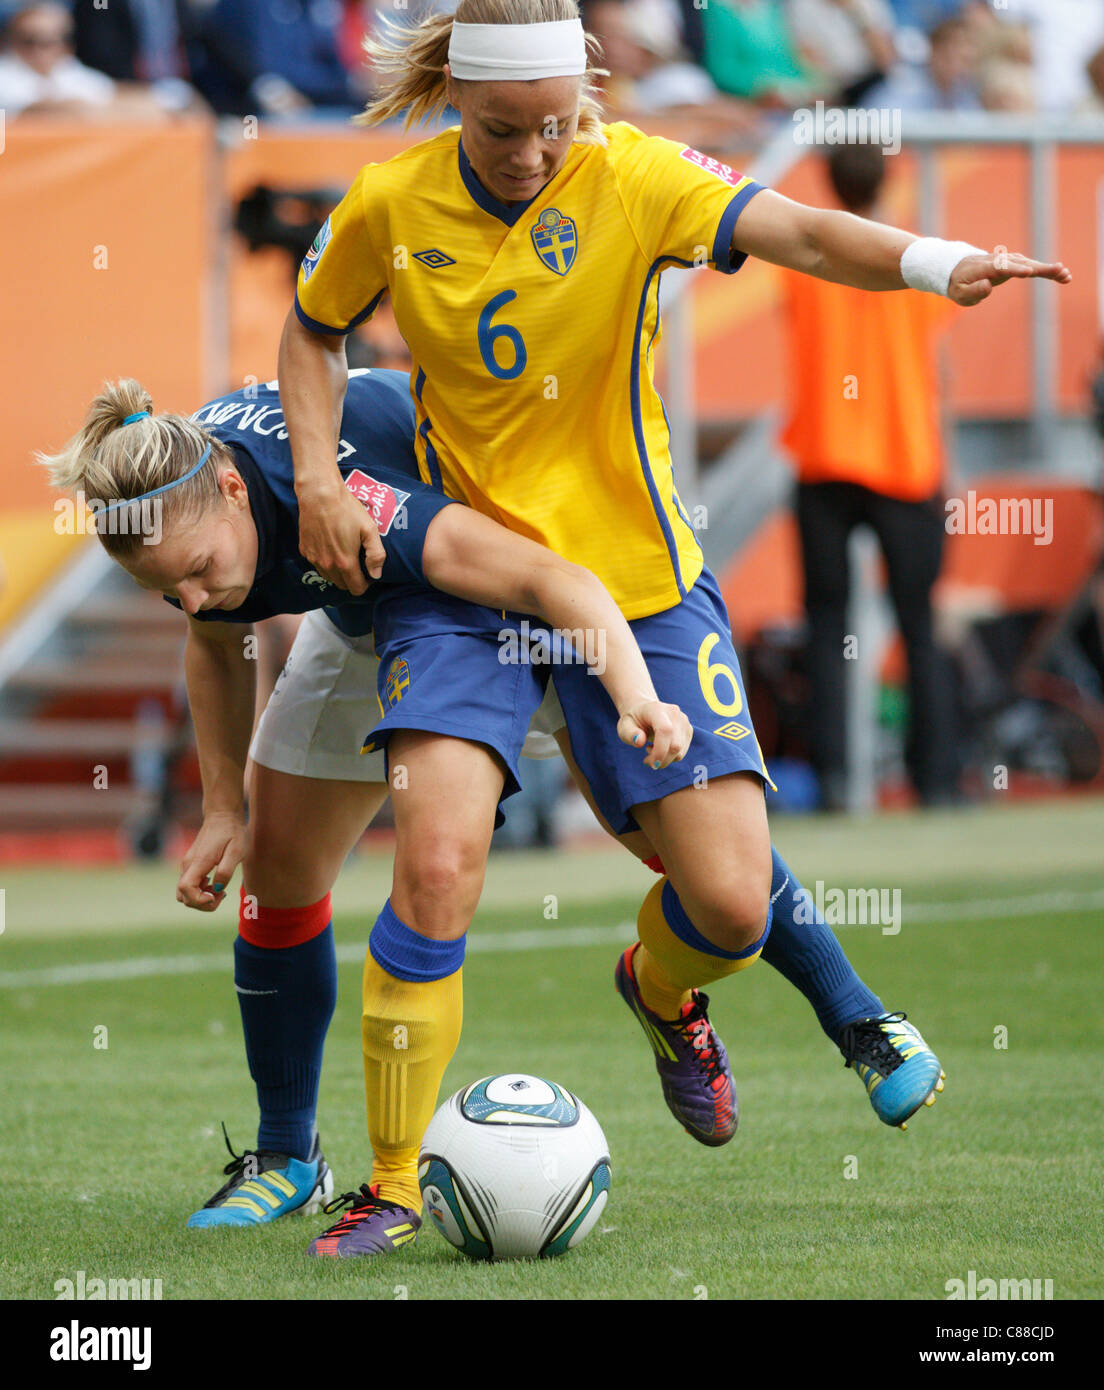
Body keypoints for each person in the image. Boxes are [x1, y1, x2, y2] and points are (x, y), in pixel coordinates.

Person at [272, 0, 1070, 1256]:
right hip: (467, 582)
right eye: (502, 129)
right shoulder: (389, 203)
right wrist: (318, 481)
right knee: (434, 862)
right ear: (456, 103)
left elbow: (800, 226)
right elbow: (313, 332)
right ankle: (386, 1180)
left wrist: (933, 262)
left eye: (553, 126)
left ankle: (656, 990)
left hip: (637, 581)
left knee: (732, 905)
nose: (533, 153)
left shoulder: (635, 173)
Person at [39, 368, 692, 1248]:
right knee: (274, 870)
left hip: (476, 591)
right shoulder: (187, 494)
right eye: (170, 588)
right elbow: (214, 638)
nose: (191, 597)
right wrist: (224, 809)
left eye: (195, 573)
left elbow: (547, 577)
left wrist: (636, 696)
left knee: (680, 844)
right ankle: (288, 1160)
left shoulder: (352, 498)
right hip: (354, 617)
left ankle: (784, 999)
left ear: (236, 489)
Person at [779, 144, 961, 809]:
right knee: (919, 626)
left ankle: (831, 783)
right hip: (905, 460)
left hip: (824, 457)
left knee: (825, 627)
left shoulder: (804, 262)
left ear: (828, 178)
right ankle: (935, 782)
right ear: (888, 178)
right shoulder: (914, 256)